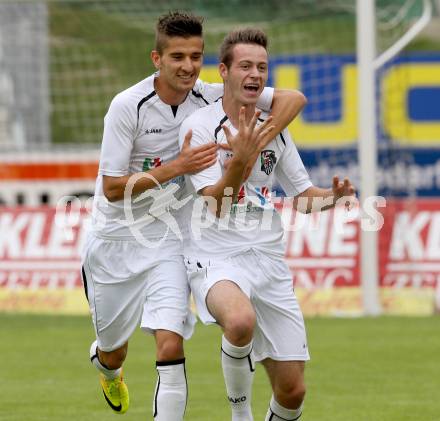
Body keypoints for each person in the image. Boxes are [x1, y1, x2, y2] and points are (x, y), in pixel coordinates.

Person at [81, 12, 307, 420]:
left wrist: (255, 142)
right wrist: (177, 167)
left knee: (170, 344)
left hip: (170, 237)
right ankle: (106, 366)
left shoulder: (208, 95)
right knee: (114, 348)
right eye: (178, 57)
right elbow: (113, 190)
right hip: (116, 238)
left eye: (196, 56)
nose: (188, 67)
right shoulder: (126, 106)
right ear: (157, 58)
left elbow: (292, 100)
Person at [179, 28, 355, 421]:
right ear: (223, 71)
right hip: (215, 254)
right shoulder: (201, 126)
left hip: (268, 260)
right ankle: (240, 416)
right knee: (239, 322)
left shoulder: (272, 128)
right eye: (245, 65)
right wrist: (240, 159)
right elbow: (217, 203)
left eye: (261, 66)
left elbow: (304, 198)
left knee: (293, 392)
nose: (255, 74)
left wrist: (334, 197)